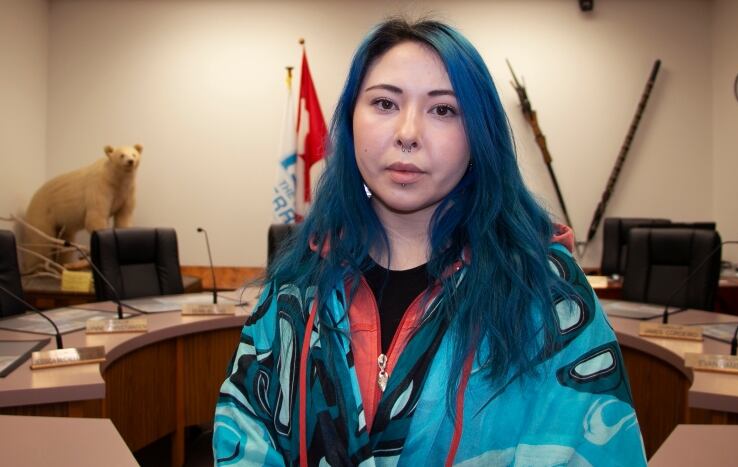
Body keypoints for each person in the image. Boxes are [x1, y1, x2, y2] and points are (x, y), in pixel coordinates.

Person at [214, 18, 646, 466]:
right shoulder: (298, 283)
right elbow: (244, 434)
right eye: (384, 103)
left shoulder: (547, 292)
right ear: (350, 123)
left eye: (443, 110)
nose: (407, 133)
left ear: (479, 136)